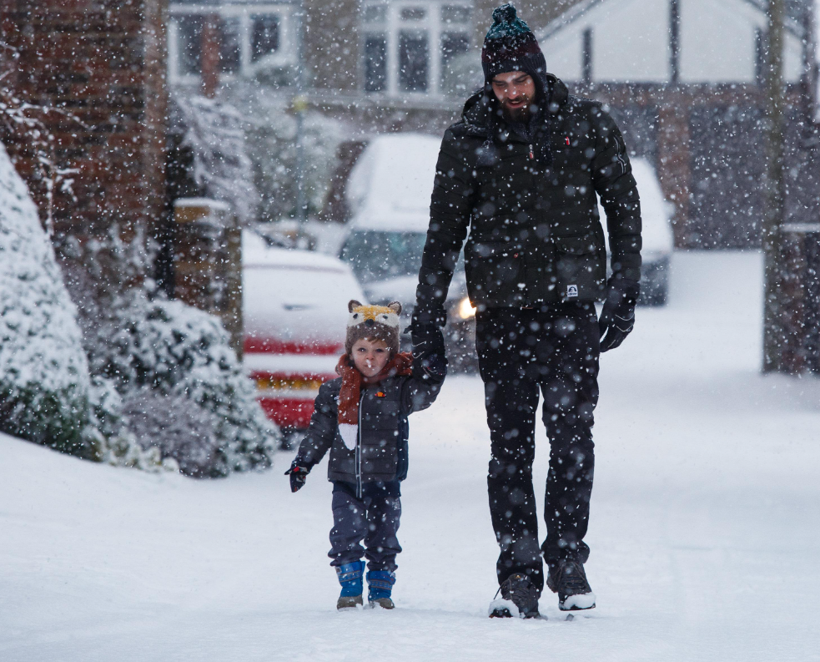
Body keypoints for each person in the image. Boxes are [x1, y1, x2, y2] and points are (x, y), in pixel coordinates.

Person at [410, 4, 642, 618]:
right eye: (500, 84)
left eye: (520, 81)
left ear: (538, 74)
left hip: (571, 308)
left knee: (571, 438)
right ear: (489, 83)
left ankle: (568, 562)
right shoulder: (468, 139)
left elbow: (624, 208)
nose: (511, 93)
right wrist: (426, 316)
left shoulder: (586, 124)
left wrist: (622, 290)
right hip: (504, 312)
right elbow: (443, 232)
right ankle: (517, 574)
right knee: (508, 448)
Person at [286, 300, 445, 610]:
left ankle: (381, 591)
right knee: (345, 534)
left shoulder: (401, 389)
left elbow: (425, 395)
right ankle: (350, 588)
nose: (370, 358)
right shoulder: (333, 391)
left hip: (386, 480)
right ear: (350, 351)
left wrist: (434, 374)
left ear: (391, 353)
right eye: (362, 350)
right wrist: (303, 463)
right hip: (345, 480)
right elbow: (320, 432)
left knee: (384, 539)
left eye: (379, 351)